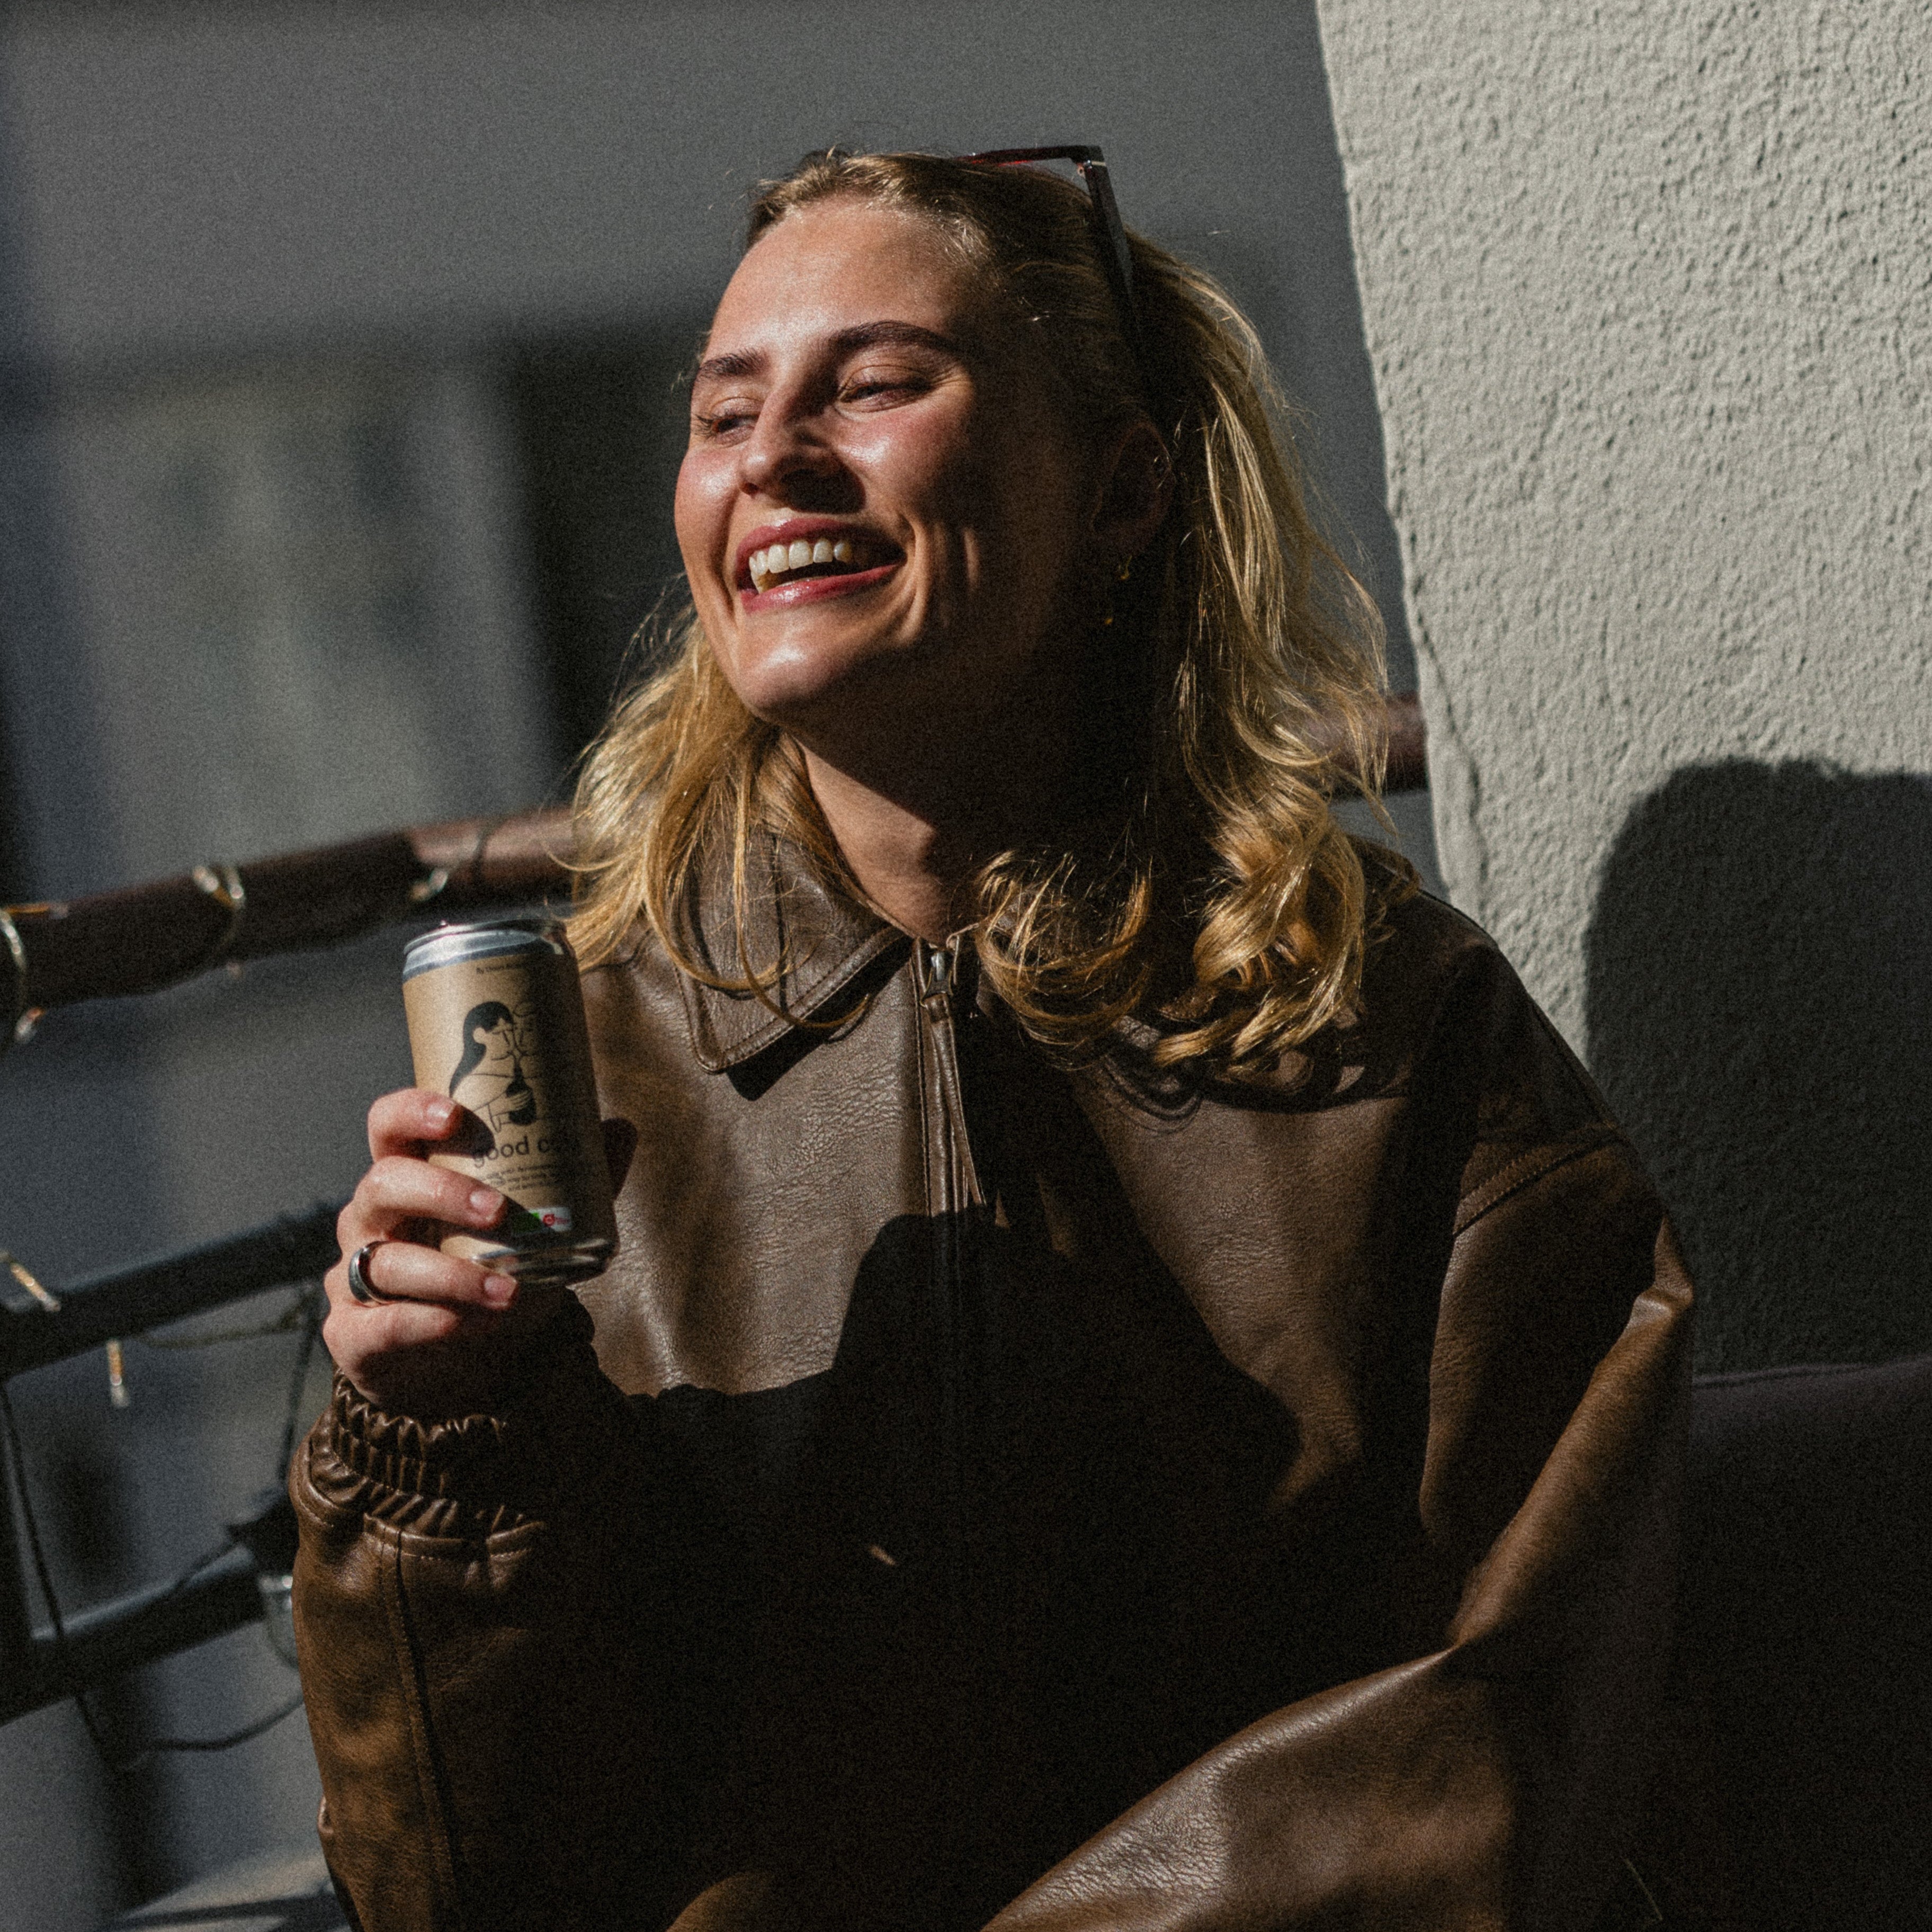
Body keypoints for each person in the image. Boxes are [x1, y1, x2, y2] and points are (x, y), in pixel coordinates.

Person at [291, 150, 1692, 1932]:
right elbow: (465, 1888)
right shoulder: (593, 1074)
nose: (773, 461)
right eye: (726, 414)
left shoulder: (1385, 1019)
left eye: (873, 385)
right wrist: (432, 1458)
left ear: (1122, 493)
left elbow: (1507, 1721)